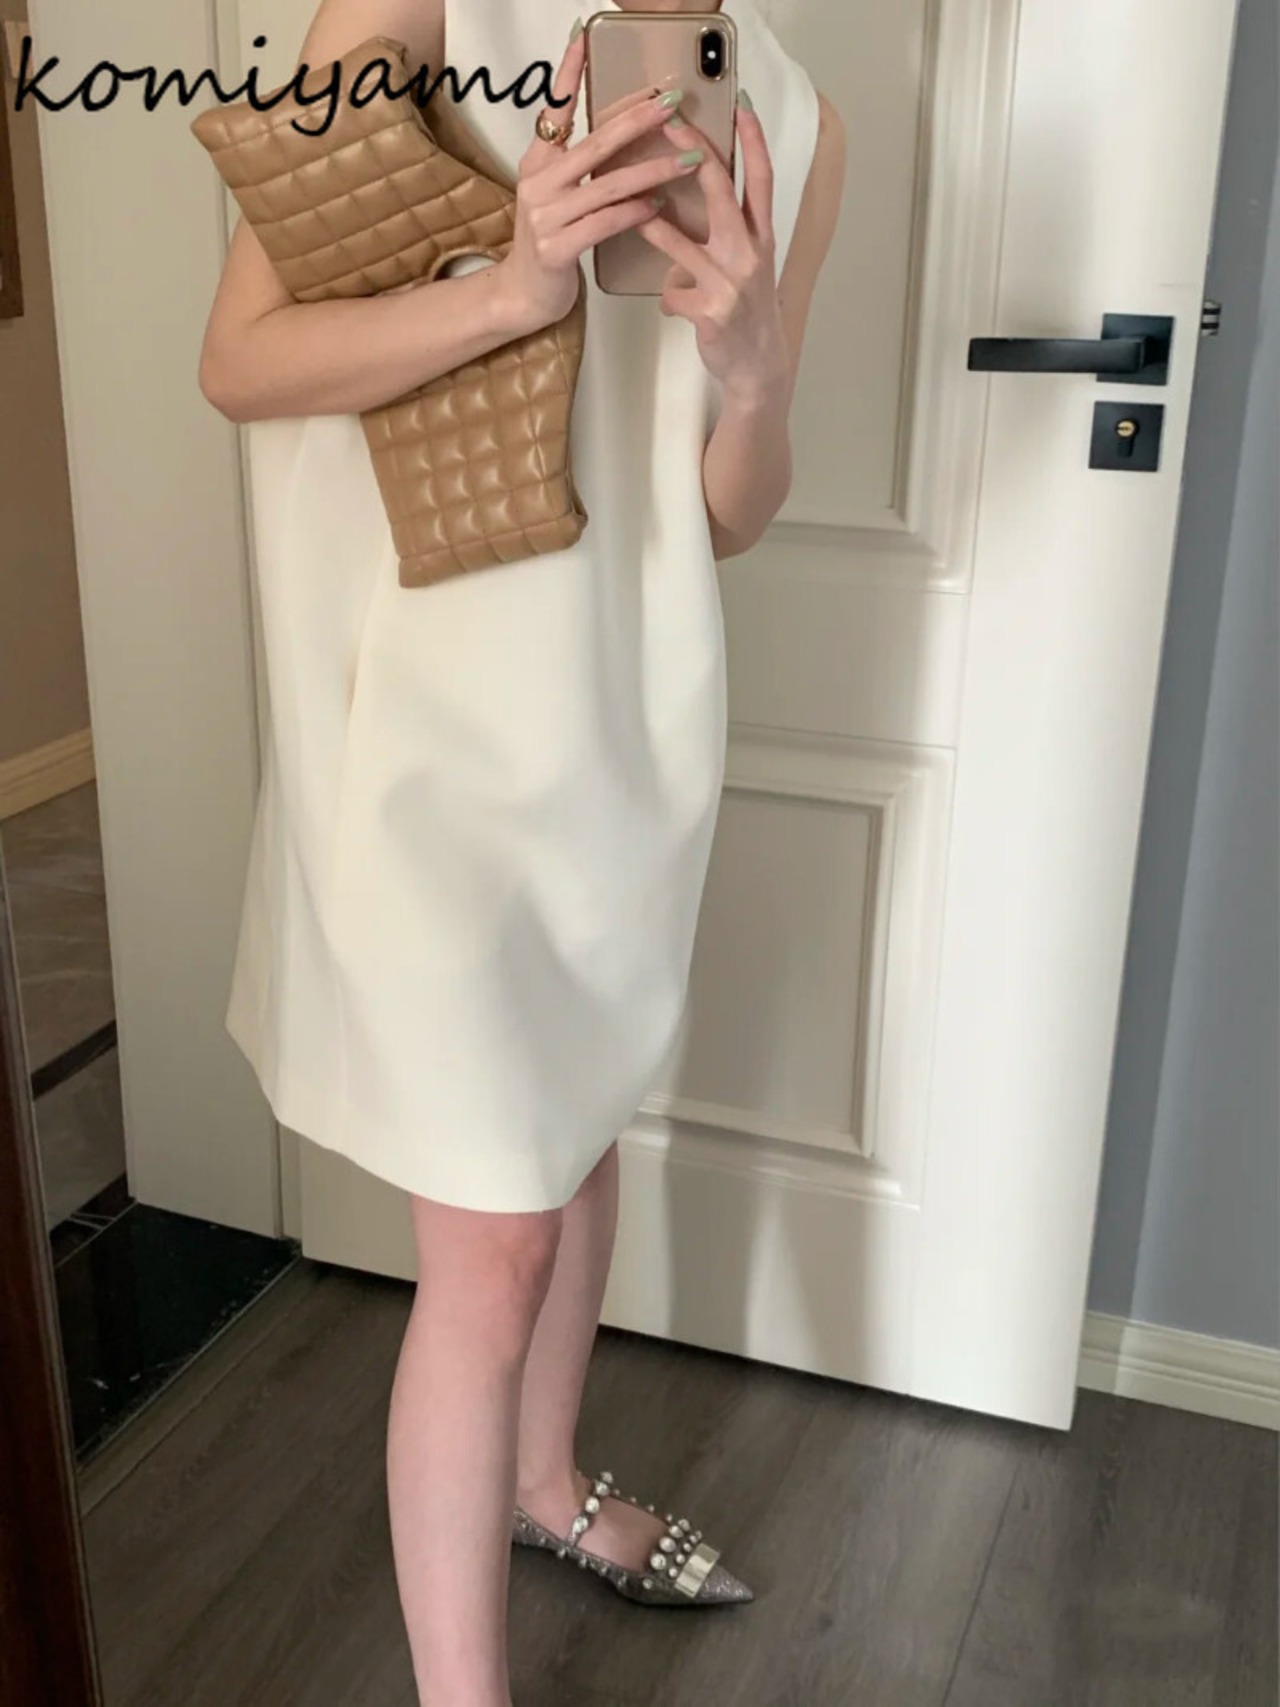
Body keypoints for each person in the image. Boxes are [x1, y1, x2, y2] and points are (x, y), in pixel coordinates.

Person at [198, 0, 844, 1700]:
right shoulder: (408, 10)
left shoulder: (795, 114)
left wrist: (756, 376)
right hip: (427, 737)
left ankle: (544, 1487)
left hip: (625, 730)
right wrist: (512, 284)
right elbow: (240, 362)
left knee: (574, 1138)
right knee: (491, 1244)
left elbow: (723, 514)